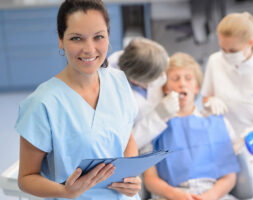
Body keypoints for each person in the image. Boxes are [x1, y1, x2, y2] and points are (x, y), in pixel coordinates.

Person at [15, 0, 141, 199]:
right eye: (76, 38)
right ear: (60, 39)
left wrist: (131, 177)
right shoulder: (42, 104)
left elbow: (127, 137)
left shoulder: (118, 81)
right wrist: (64, 191)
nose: (89, 49)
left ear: (108, 36)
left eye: (98, 36)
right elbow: (26, 178)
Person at [143, 52, 240, 200]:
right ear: (166, 88)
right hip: (170, 195)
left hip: (213, 194)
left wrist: (209, 196)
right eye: (175, 79)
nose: (182, 83)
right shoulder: (154, 127)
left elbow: (229, 175)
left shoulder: (215, 122)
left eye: (188, 78)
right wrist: (176, 195)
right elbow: (150, 180)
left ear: (196, 88)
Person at [201, 12, 253, 136]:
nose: (227, 55)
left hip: (249, 142)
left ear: (250, 42)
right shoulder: (215, 60)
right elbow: (205, 98)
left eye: (233, 51)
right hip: (217, 135)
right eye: (223, 49)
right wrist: (210, 102)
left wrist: (252, 132)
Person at [108, 38, 180, 150]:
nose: (163, 76)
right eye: (158, 75)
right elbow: (123, 146)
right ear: (136, 81)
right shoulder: (112, 98)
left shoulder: (139, 60)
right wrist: (158, 116)